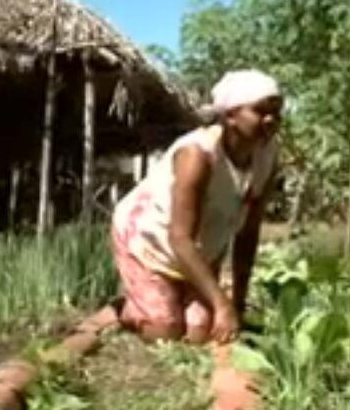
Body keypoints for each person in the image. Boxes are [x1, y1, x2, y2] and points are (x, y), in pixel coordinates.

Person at [110, 69, 283, 345]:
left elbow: (248, 232)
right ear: (229, 116)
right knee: (165, 330)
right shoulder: (197, 155)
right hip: (149, 240)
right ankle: (130, 309)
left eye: (277, 112)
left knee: (202, 332)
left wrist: (237, 302)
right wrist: (222, 304)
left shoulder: (267, 156)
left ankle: (172, 293)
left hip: (201, 247)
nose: (271, 120)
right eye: (260, 111)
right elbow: (180, 238)